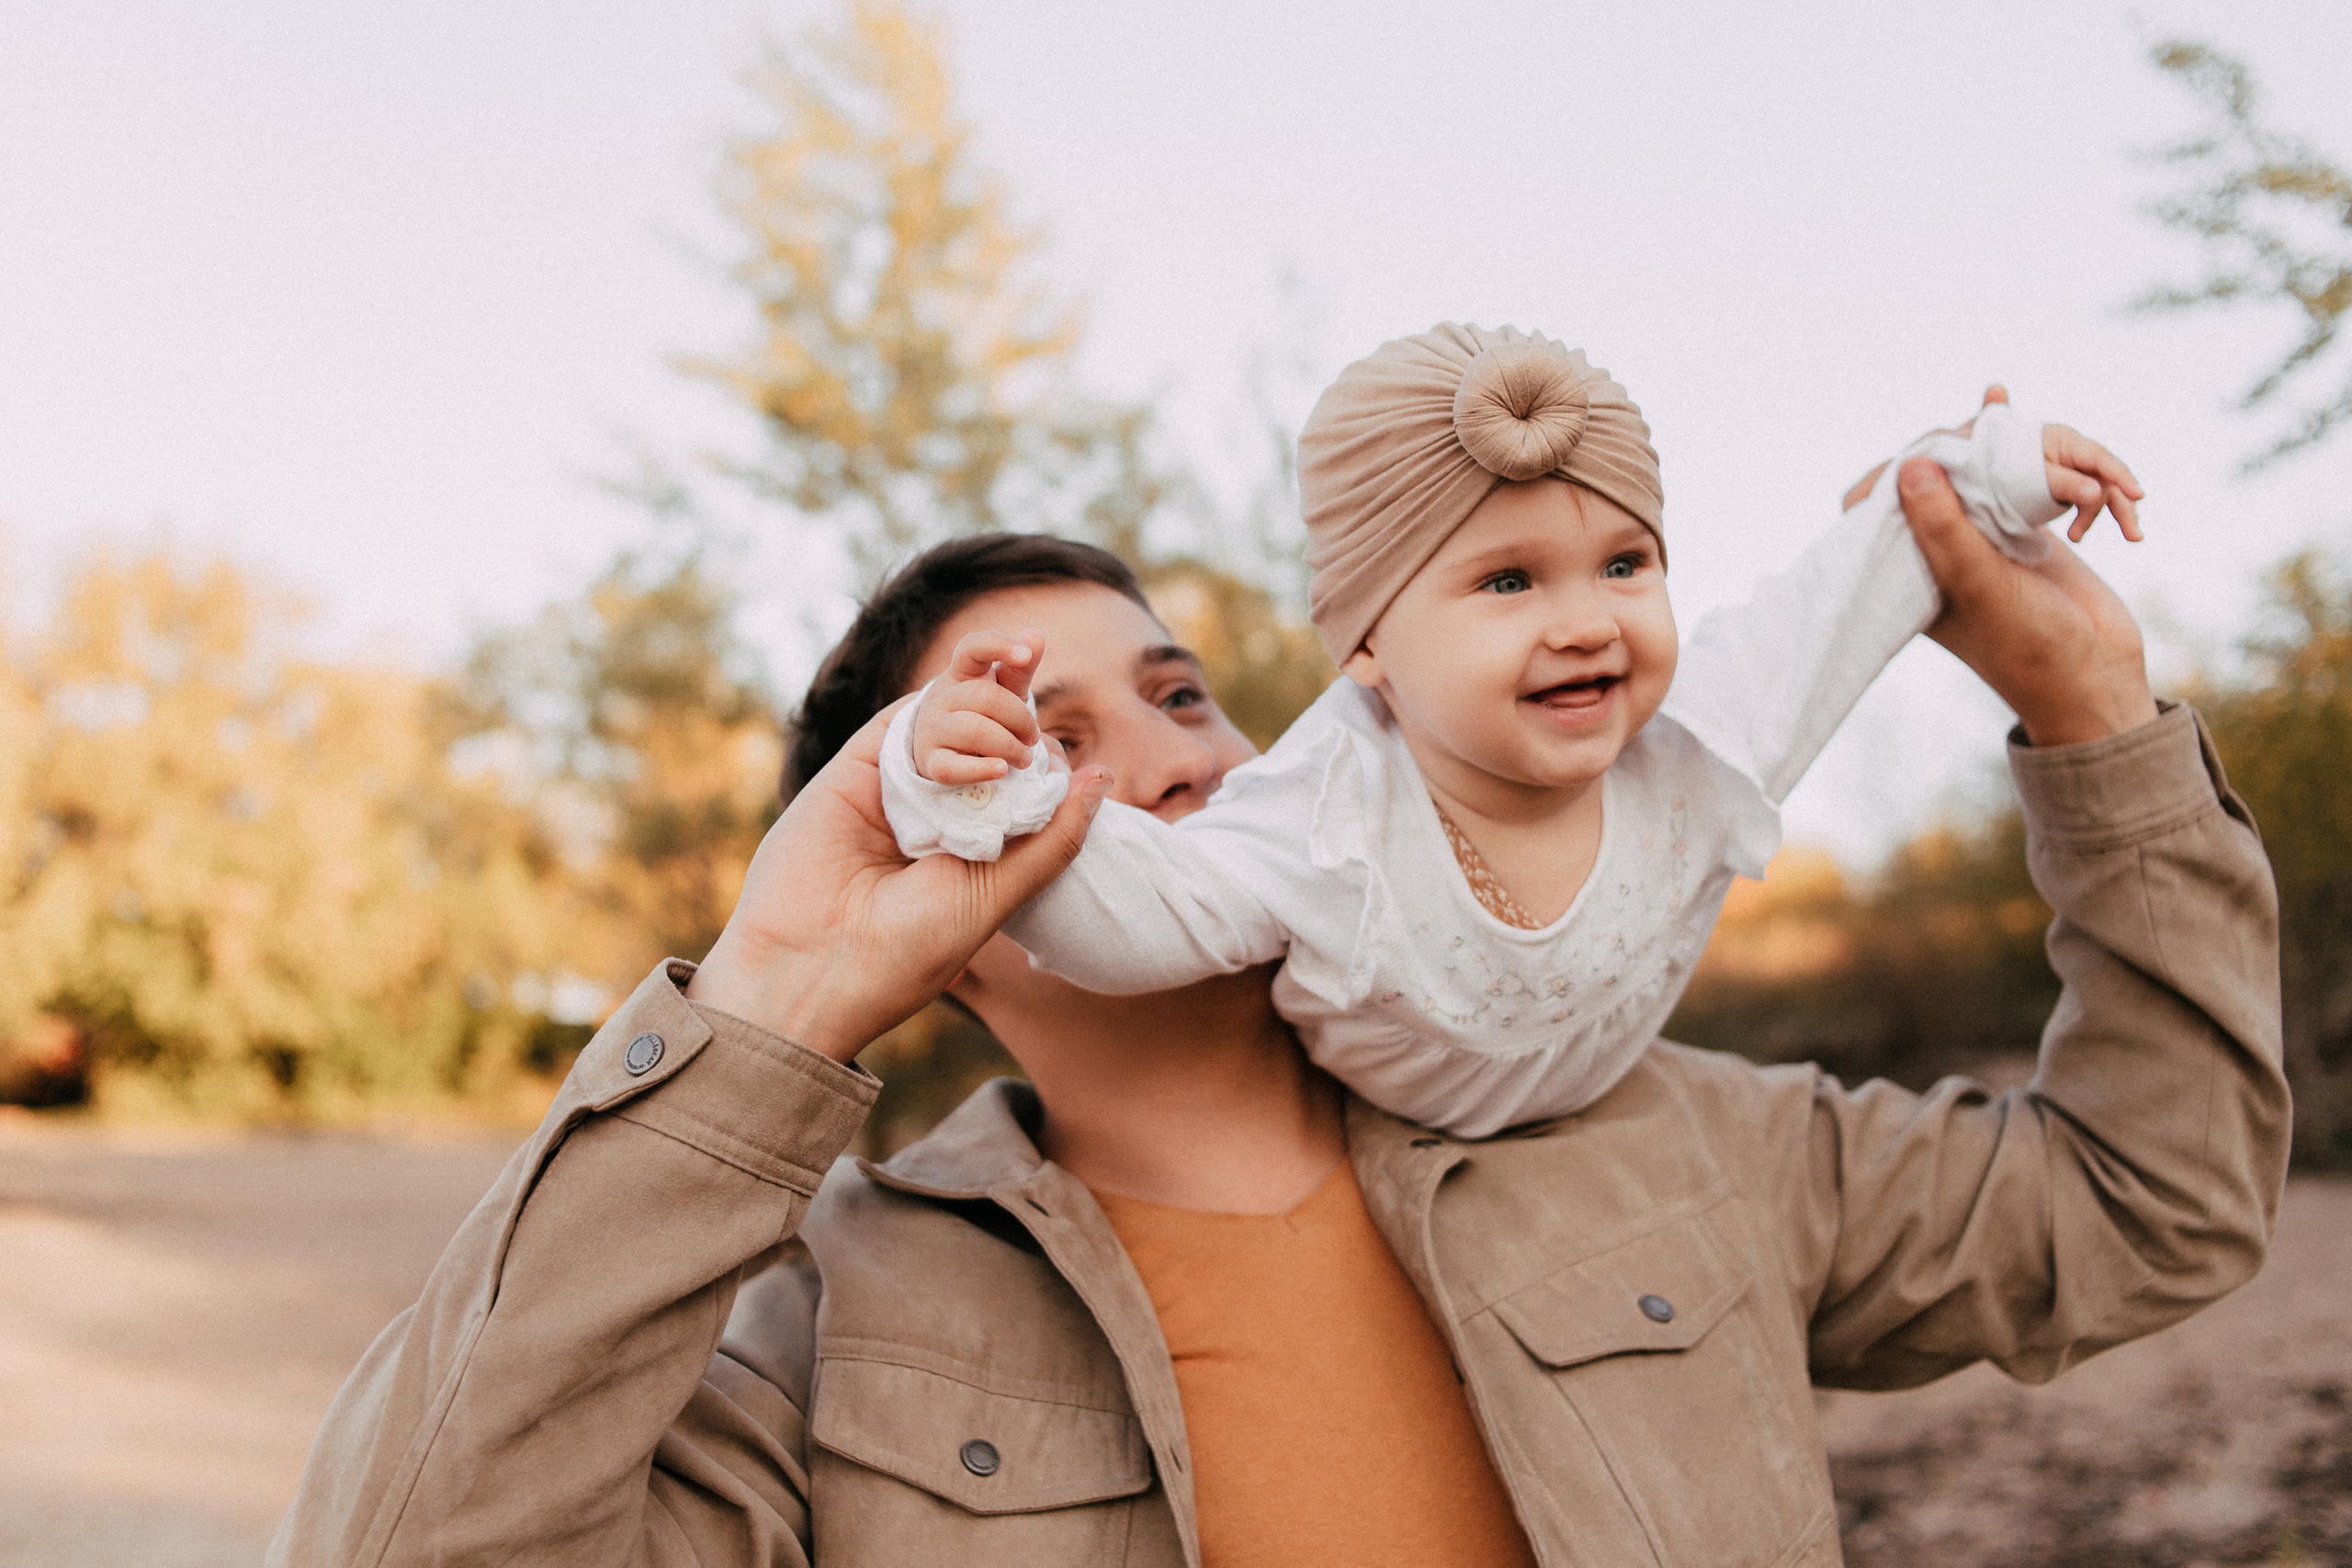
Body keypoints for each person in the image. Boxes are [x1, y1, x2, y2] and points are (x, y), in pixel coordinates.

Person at [268, 454, 2287, 1568]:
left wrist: (2087, 718)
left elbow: (2153, 1198)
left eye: (1175, 695)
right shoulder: (821, 1333)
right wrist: (776, 998)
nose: (1166, 762)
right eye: (1031, 737)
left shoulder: (1664, 1140)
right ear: (944, 921)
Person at [881, 326, 2145, 1135]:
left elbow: (1834, 602)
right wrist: (975, 786)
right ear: (1366, 648)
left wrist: (1989, 477)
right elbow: (1131, 915)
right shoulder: (1321, 819)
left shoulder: (1691, 739)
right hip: (1415, 1097)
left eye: (1624, 563)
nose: (1587, 621)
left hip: (1619, 1092)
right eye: (1507, 583)